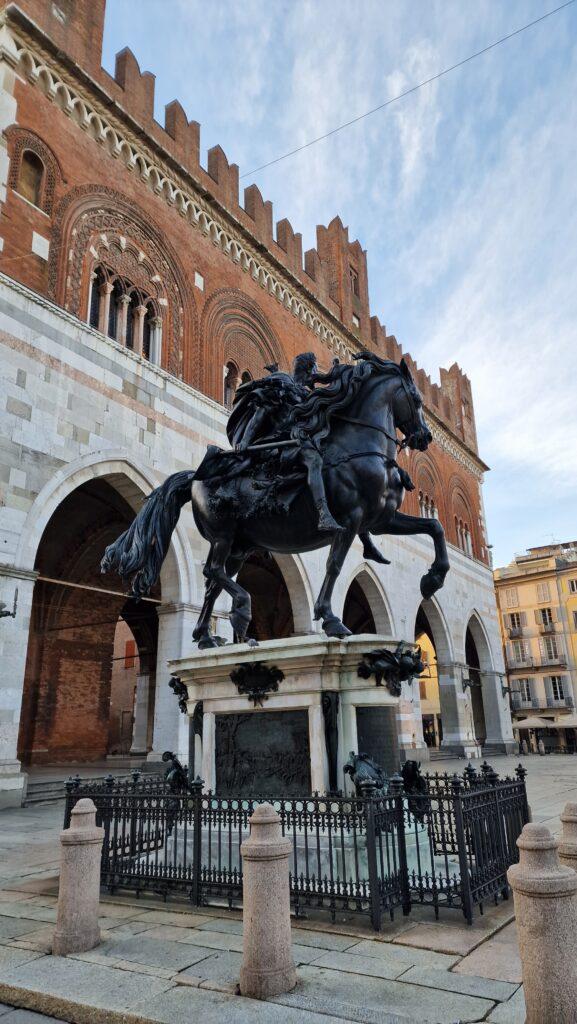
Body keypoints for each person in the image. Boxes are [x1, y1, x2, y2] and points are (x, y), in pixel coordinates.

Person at [226, 352, 342, 531]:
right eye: (315, 369)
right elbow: (260, 415)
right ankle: (323, 515)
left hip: (299, 441)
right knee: (314, 460)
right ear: (309, 369)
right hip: (279, 443)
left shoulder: (306, 393)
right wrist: (245, 441)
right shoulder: (283, 384)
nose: (317, 374)